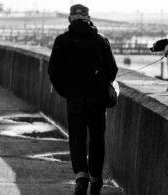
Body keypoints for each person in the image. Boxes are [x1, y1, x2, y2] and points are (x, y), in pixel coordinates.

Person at [48, 4, 118, 195]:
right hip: (97, 98)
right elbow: (112, 71)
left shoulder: (62, 41)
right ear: (88, 18)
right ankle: (95, 179)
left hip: (74, 97)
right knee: (96, 138)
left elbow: (54, 71)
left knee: (77, 138)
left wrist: (67, 91)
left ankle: (81, 177)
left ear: (70, 19)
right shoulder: (101, 41)